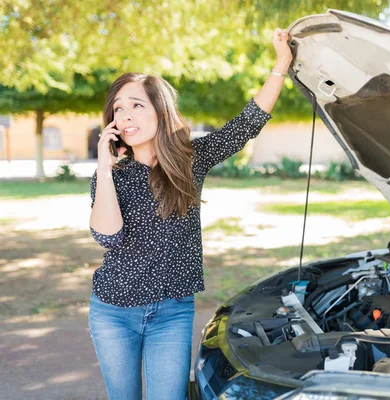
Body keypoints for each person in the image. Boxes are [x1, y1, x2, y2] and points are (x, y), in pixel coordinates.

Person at [87, 28, 292, 400]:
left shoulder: (189, 160)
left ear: (159, 110)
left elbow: (245, 125)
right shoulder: (110, 175)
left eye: (136, 104)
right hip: (114, 313)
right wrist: (103, 168)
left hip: (172, 312)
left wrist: (282, 64)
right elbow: (108, 237)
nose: (125, 114)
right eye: (118, 107)